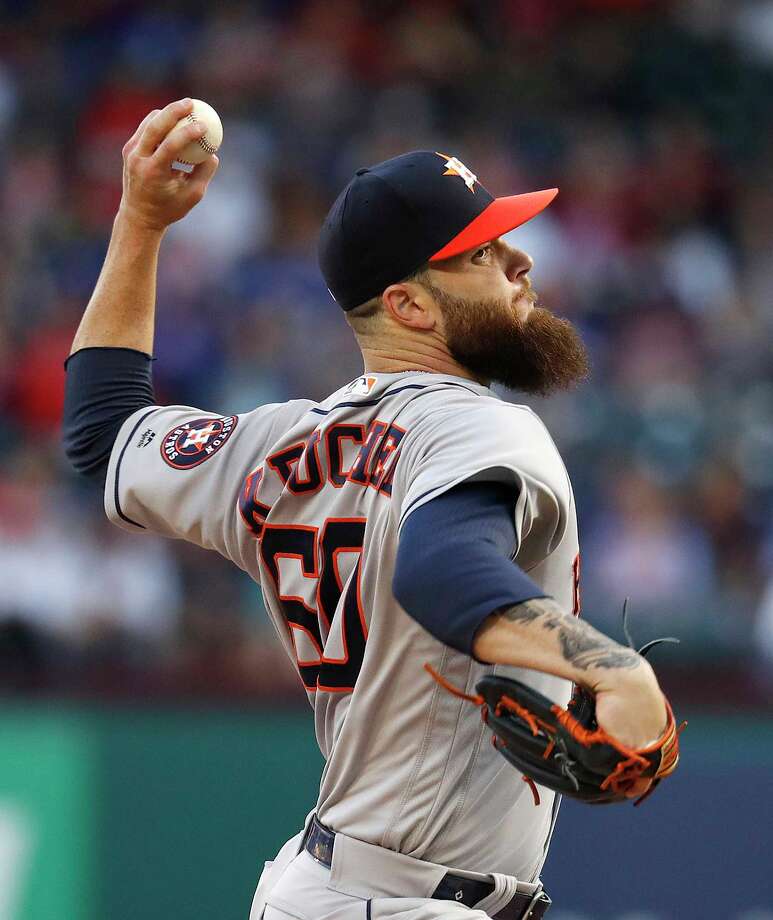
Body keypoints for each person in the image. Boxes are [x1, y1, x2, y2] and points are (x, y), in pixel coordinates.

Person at [63, 99, 669, 920]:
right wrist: (612, 666)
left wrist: (139, 222)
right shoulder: (477, 425)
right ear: (410, 306)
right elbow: (443, 571)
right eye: (483, 253)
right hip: (404, 901)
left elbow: (106, 436)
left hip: (340, 887)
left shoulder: (274, 446)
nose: (520, 260)